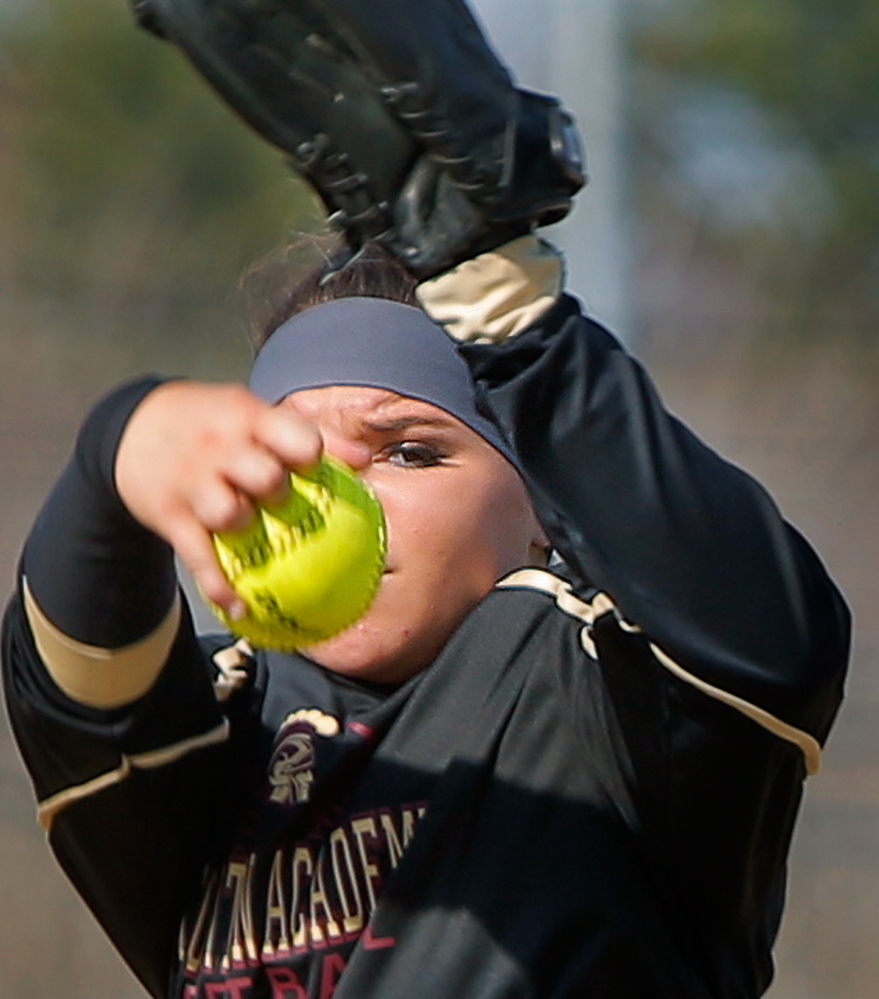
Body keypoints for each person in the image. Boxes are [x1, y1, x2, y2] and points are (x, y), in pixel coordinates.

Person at [1, 224, 850, 999]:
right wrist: (117, 442)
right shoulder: (223, 716)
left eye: (408, 452)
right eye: (282, 460)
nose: (328, 504)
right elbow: (68, 677)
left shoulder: (595, 689)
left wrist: (526, 332)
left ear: (543, 509)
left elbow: (764, 633)